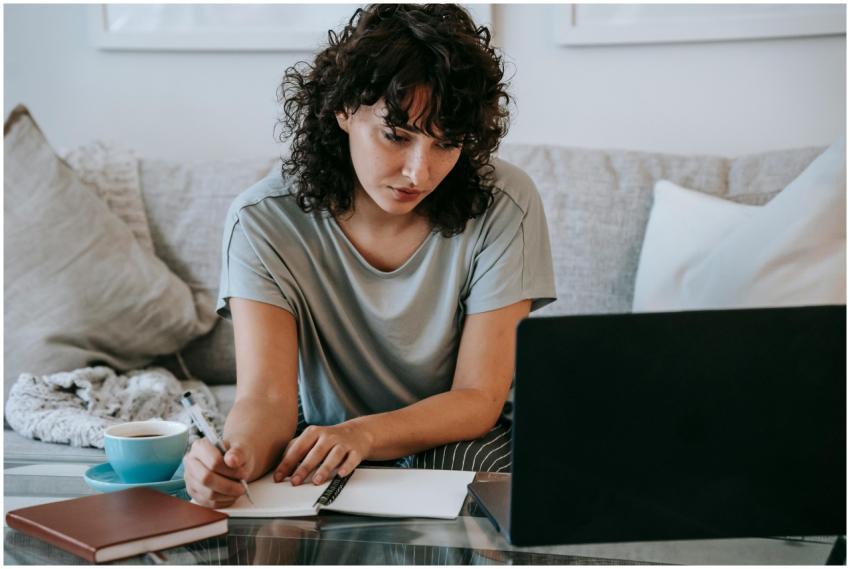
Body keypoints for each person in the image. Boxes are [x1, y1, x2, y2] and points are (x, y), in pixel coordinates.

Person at [184, 3, 556, 509]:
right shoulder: (262, 221)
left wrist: (365, 435)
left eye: (446, 145)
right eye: (396, 136)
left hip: (457, 437)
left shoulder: (505, 203)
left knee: (464, 481)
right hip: (325, 433)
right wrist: (234, 461)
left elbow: (478, 398)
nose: (418, 173)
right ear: (343, 110)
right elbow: (266, 399)